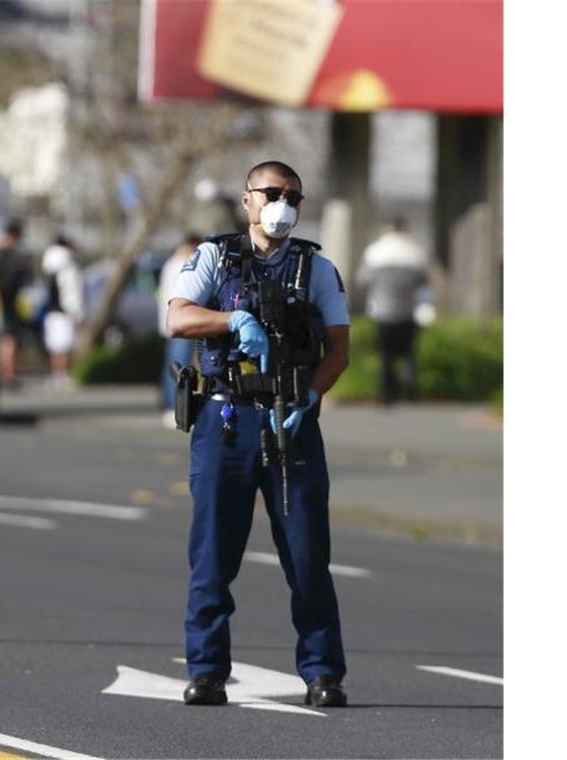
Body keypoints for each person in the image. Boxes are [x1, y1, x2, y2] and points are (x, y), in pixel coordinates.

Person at [166, 161, 352, 708]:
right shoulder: (214, 258)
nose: (282, 204)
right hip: (226, 421)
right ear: (247, 200)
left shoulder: (314, 268)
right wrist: (231, 322)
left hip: (290, 422)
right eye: (271, 193)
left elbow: (338, 349)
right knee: (213, 555)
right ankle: (205, 671)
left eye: (293, 195)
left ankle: (322, 674)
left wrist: (311, 396)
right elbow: (177, 318)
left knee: (307, 555)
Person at [356, 218, 431, 405]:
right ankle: (410, 391)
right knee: (408, 353)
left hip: (382, 311)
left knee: (385, 355)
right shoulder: (415, 252)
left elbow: (363, 280)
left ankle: (386, 393)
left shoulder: (375, 252)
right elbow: (424, 281)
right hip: (407, 310)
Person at [159, 234, 202, 429]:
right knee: (180, 368)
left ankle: (172, 405)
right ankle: (173, 407)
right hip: (181, 324)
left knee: (174, 365)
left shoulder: (171, 263)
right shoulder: (181, 265)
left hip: (174, 323)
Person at [40, 235, 83, 388]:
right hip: (64, 312)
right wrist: (77, 313)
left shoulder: (49, 265)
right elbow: (71, 294)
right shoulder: (67, 267)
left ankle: (56, 374)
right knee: (64, 346)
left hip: (51, 311)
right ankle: (63, 374)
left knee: (54, 346)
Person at [0, 220, 31, 386]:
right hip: (8, 302)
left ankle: (3, 372)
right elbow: (24, 281)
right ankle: (7, 373)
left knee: (3, 338)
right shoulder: (15, 258)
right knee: (8, 339)